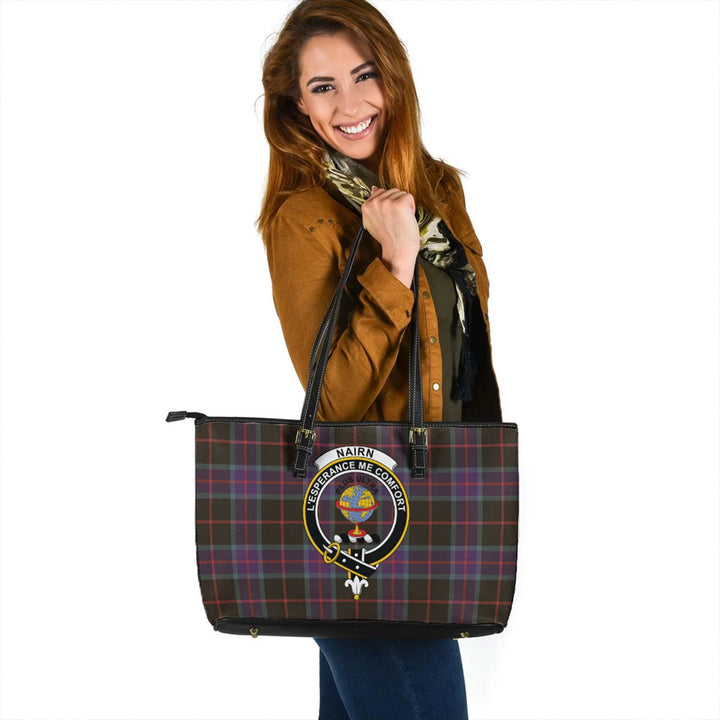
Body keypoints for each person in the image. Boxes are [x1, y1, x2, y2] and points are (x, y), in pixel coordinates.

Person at [258, 1, 502, 717]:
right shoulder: (304, 217)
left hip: (434, 504)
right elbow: (333, 398)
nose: (350, 104)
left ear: (393, 79)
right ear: (298, 106)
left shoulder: (439, 190)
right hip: (360, 521)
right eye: (323, 86)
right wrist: (395, 261)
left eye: (365, 76)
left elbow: (463, 349)